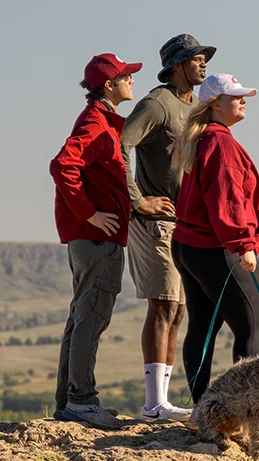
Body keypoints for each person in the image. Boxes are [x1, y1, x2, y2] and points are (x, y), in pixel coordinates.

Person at [120, 34, 216, 422]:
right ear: (178, 65)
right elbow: (119, 145)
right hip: (155, 220)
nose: (203, 64)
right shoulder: (157, 103)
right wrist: (137, 199)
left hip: (183, 222)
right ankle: (153, 405)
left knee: (177, 310)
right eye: (197, 58)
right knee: (162, 306)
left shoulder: (194, 106)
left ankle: (160, 401)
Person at [49, 53, 142, 429]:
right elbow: (62, 165)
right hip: (95, 238)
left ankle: (69, 401)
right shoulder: (95, 123)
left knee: (81, 316)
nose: (131, 81)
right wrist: (88, 213)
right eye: (126, 76)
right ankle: (82, 402)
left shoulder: (101, 120)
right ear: (109, 85)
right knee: (93, 315)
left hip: (90, 238)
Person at [170, 73, 259, 431]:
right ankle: (249, 414)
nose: (243, 101)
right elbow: (226, 200)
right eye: (235, 96)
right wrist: (243, 244)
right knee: (251, 326)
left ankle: (202, 412)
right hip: (218, 248)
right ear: (215, 104)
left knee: (202, 328)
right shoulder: (221, 144)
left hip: (189, 246)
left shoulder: (204, 139)